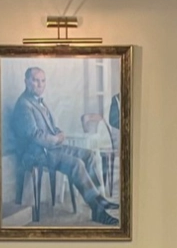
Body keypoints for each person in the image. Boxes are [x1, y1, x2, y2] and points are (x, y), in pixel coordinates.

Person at [8, 66, 118, 225]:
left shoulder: (39, 101)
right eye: (36, 80)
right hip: (35, 154)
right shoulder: (24, 105)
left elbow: (51, 127)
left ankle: (99, 199)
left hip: (50, 148)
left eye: (43, 81)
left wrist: (59, 133)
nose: (40, 85)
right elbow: (35, 135)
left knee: (89, 155)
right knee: (76, 164)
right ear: (26, 81)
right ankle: (98, 210)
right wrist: (56, 139)